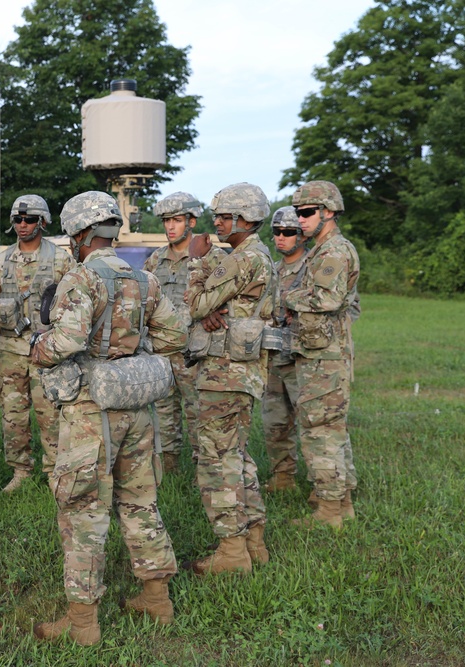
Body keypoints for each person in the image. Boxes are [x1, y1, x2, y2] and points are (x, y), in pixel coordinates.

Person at [29, 191, 186, 646]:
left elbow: (68, 341)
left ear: (79, 233)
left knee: (82, 513)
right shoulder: (145, 278)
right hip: (138, 409)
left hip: (90, 414)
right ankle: (157, 600)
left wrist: (38, 348)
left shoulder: (80, 278)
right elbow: (174, 334)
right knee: (141, 504)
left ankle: (83, 626)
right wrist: (131, 358)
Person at [182, 182, 273, 575]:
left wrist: (197, 261)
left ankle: (232, 554)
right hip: (241, 371)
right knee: (236, 456)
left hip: (225, 372)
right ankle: (254, 542)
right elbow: (210, 308)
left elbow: (195, 302)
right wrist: (208, 311)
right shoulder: (256, 255)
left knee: (216, 460)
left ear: (245, 219)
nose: (215, 222)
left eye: (223, 216)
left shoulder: (239, 259)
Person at [0, 194, 74, 492]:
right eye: (17, 219)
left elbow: (76, 305)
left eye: (29, 219)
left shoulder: (61, 260)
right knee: (13, 417)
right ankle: (20, 471)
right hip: (9, 353)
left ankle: (55, 470)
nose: (22, 224)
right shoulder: (1, 262)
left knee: (52, 415)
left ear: (42, 222)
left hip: (48, 353)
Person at [283, 181, 360, 528]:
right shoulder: (321, 249)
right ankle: (341, 502)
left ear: (328, 212)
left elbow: (326, 300)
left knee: (319, 431)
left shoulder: (334, 252)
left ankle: (329, 513)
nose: (300, 219)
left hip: (324, 358)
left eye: (306, 212)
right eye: (298, 212)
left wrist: (287, 299)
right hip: (320, 353)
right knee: (330, 429)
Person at [143, 192, 223, 472]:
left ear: (191, 221)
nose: (170, 227)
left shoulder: (213, 257)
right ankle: (170, 467)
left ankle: (205, 469)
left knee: (199, 411)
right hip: (163, 351)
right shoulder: (155, 260)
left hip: (197, 352)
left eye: (176, 220)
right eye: (166, 221)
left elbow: (226, 299)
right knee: (164, 412)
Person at [261, 206, 306, 492]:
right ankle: (283, 478)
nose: (281, 237)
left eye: (288, 232)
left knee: (314, 426)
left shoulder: (314, 267)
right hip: (275, 357)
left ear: (302, 235)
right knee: (275, 423)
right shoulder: (273, 271)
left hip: (304, 359)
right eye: (276, 232)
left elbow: (345, 310)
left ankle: (324, 486)